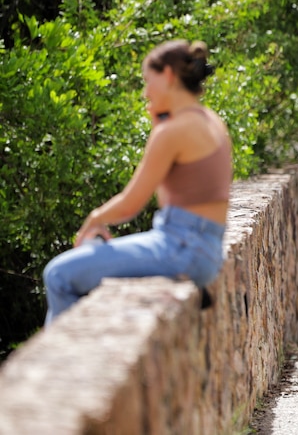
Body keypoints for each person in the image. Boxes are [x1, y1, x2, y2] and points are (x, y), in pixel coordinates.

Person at [42, 39, 231, 324]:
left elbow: (130, 205)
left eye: (147, 80)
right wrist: (159, 128)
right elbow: (177, 196)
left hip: (180, 248)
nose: (145, 92)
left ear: (168, 75)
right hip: (205, 251)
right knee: (90, 259)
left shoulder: (173, 131)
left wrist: (95, 219)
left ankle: (76, 365)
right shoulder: (212, 121)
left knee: (58, 274)